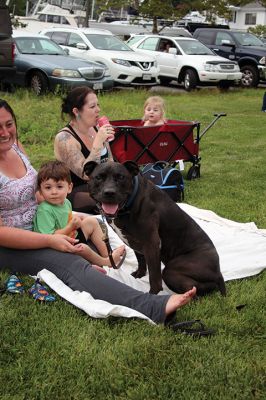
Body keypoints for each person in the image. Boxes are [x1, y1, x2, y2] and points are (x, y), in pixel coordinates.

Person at [0, 98, 196, 324]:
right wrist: (48, 239)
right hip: (13, 242)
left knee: (92, 227)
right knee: (71, 263)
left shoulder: (14, 146)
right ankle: (152, 305)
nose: (5, 132)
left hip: (42, 222)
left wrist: (61, 215)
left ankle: (99, 266)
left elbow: (32, 190)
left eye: (9, 124)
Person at [34, 160, 126, 269]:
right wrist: (70, 226)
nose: (54, 192)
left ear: (69, 188)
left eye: (59, 187)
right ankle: (105, 262)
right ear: (40, 191)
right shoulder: (44, 210)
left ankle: (108, 254)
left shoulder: (66, 202)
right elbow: (49, 238)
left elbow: (65, 219)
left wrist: (75, 221)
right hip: (56, 247)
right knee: (83, 248)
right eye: (48, 187)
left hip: (71, 236)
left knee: (92, 222)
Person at [54, 86, 115, 214]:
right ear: (76, 111)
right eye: (92, 107)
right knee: (113, 199)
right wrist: (98, 143)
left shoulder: (97, 129)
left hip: (102, 184)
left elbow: (110, 162)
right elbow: (86, 174)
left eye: (98, 105)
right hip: (77, 192)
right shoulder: (65, 138)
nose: (98, 110)